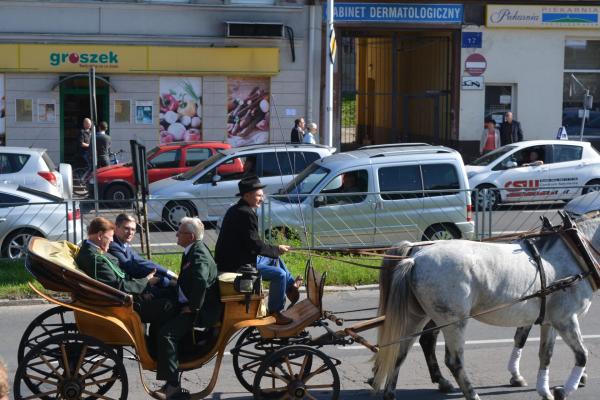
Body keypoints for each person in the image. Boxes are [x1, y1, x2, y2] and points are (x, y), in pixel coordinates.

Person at [154, 217, 221, 400]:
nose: (176, 234)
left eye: (179, 232)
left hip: (200, 310)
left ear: (190, 236)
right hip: (188, 303)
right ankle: (170, 376)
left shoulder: (198, 254)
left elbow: (200, 280)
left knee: (166, 334)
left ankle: (173, 386)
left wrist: (192, 307)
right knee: (159, 321)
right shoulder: (192, 249)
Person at [76, 217, 176, 336]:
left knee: (167, 293)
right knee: (168, 304)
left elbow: (120, 278)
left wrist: (142, 290)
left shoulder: (93, 252)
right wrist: (146, 281)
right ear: (99, 235)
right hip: (121, 306)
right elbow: (117, 286)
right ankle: (159, 345)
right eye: (110, 237)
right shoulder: (94, 258)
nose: (112, 240)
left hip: (125, 298)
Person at [214, 175, 291, 324]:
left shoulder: (237, 209)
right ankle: (275, 312)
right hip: (237, 266)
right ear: (247, 195)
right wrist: (276, 248)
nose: (262, 199)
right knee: (280, 274)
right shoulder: (245, 213)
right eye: (259, 196)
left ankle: (291, 285)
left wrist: (275, 251)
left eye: (262, 195)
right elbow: (255, 245)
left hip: (238, 257)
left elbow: (252, 243)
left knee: (275, 257)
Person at [109, 214, 177, 289]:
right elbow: (130, 268)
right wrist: (160, 278)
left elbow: (141, 261)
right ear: (116, 228)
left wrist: (167, 273)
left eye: (133, 229)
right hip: (125, 287)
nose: (130, 232)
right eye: (126, 228)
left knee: (169, 281)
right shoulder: (113, 245)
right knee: (168, 285)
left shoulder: (123, 243)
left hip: (133, 282)